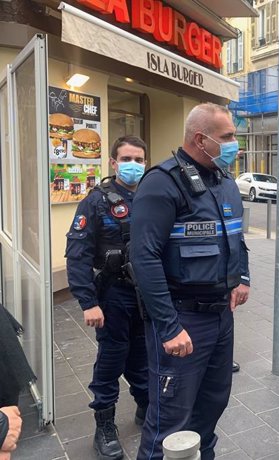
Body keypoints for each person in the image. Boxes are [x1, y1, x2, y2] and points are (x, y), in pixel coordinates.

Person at [131, 103, 250, 460]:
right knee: (169, 420)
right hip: (182, 319)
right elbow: (144, 257)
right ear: (201, 139)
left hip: (220, 317)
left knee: (211, 408)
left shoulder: (224, 181)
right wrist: (168, 328)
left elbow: (236, 237)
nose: (235, 144)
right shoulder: (162, 182)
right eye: (227, 137)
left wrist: (242, 277)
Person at [65, 135, 149, 460]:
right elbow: (78, 254)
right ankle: (104, 424)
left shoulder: (151, 196)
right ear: (113, 162)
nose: (133, 165)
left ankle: (146, 406)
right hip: (113, 295)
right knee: (113, 357)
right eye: (126, 159)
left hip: (146, 295)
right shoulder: (96, 201)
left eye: (139, 160)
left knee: (142, 355)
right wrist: (88, 302)